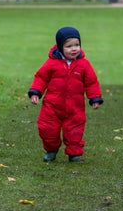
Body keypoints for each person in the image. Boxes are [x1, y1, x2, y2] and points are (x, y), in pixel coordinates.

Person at [28, 26, 103, 163]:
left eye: (77, 45)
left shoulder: (84, 65)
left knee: (74, 130)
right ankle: (51, 150)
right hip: (52, 105)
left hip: (75, 107)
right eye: (69, 46)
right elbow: (41, 78)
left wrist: (94, 98)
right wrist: (36, 92)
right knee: (47, 128)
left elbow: (92, 82)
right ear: (60, 47)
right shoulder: (51, 64)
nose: (74, 49)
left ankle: (74, 154)